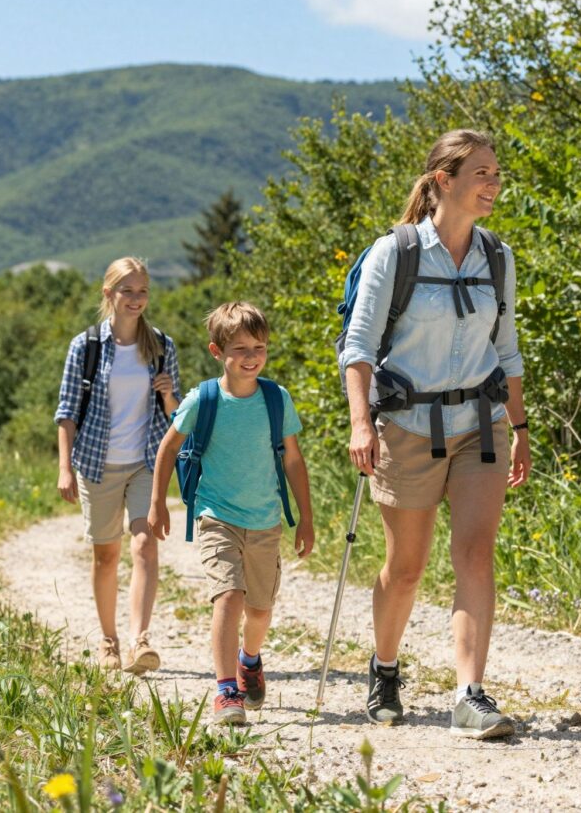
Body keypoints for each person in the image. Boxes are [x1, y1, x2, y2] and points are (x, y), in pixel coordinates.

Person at [339, 129, 529, 739]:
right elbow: (359, 347)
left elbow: (508, 350)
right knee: (407, 565)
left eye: (496, 173)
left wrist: (519, 425)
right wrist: (360, 422)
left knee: (475, 552)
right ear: (444, 180)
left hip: (481, 425)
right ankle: (386, 668)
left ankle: (469, 694)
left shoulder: (497, 257)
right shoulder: (394, 254)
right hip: (407, 427)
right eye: (481, 173)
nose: (494, 183)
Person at [149, 302, 315, 724]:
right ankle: (226, 690)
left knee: (259, 609)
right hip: (215, 514)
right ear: (216, 351)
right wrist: (157, 504)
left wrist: (306, 517)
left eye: (258, 346)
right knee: (229, 595)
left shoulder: (277, 399)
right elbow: (169, 446)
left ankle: (249, 659)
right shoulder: (202, 400)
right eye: (239, 348)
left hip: (265, 518)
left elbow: (293, 460)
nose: (250, 356)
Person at [55, 257, 181, 673]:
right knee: (105, 556)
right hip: (96, 463)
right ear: (108, 294)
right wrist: (64, 468)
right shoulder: (86, 347)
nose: (136, 299)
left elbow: (177, 417)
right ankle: (108, 641)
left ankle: (139, 640)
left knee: (145, 543)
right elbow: (67, 411)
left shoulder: (162, 346)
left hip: (146, 460)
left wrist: (168, 396)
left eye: (142, 290)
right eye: (127, 291)